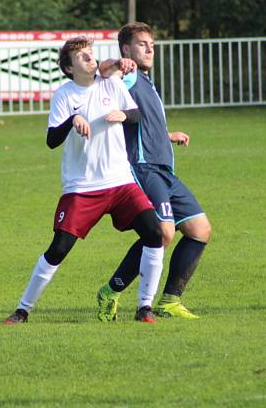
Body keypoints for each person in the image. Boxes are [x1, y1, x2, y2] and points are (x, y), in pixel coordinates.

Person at [4, 36, 165, 325]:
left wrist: (124, 115)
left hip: (120, 181)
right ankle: (22, 310)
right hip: (83, 186)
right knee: (59, 248)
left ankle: (144, 308)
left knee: (155, 232)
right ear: (69, 68)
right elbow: (52, 140)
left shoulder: (111, 83)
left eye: (90, 53)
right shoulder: (65, 95)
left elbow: (137, 114)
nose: (89, 58)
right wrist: (73, 119)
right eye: (82, 56)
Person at [94, 22, 212, 321]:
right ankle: (112, 289)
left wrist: (167, 134)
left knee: (200, 230)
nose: (149, 49)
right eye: (142, 44)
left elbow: (143, 121)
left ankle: (170, 300)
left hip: (165, 169)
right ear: (126, 49)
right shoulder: (129, 76)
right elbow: (103, 72)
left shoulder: (146, 81)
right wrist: (118, 65)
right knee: (162, 233)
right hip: (144, 169)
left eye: (152, 45)